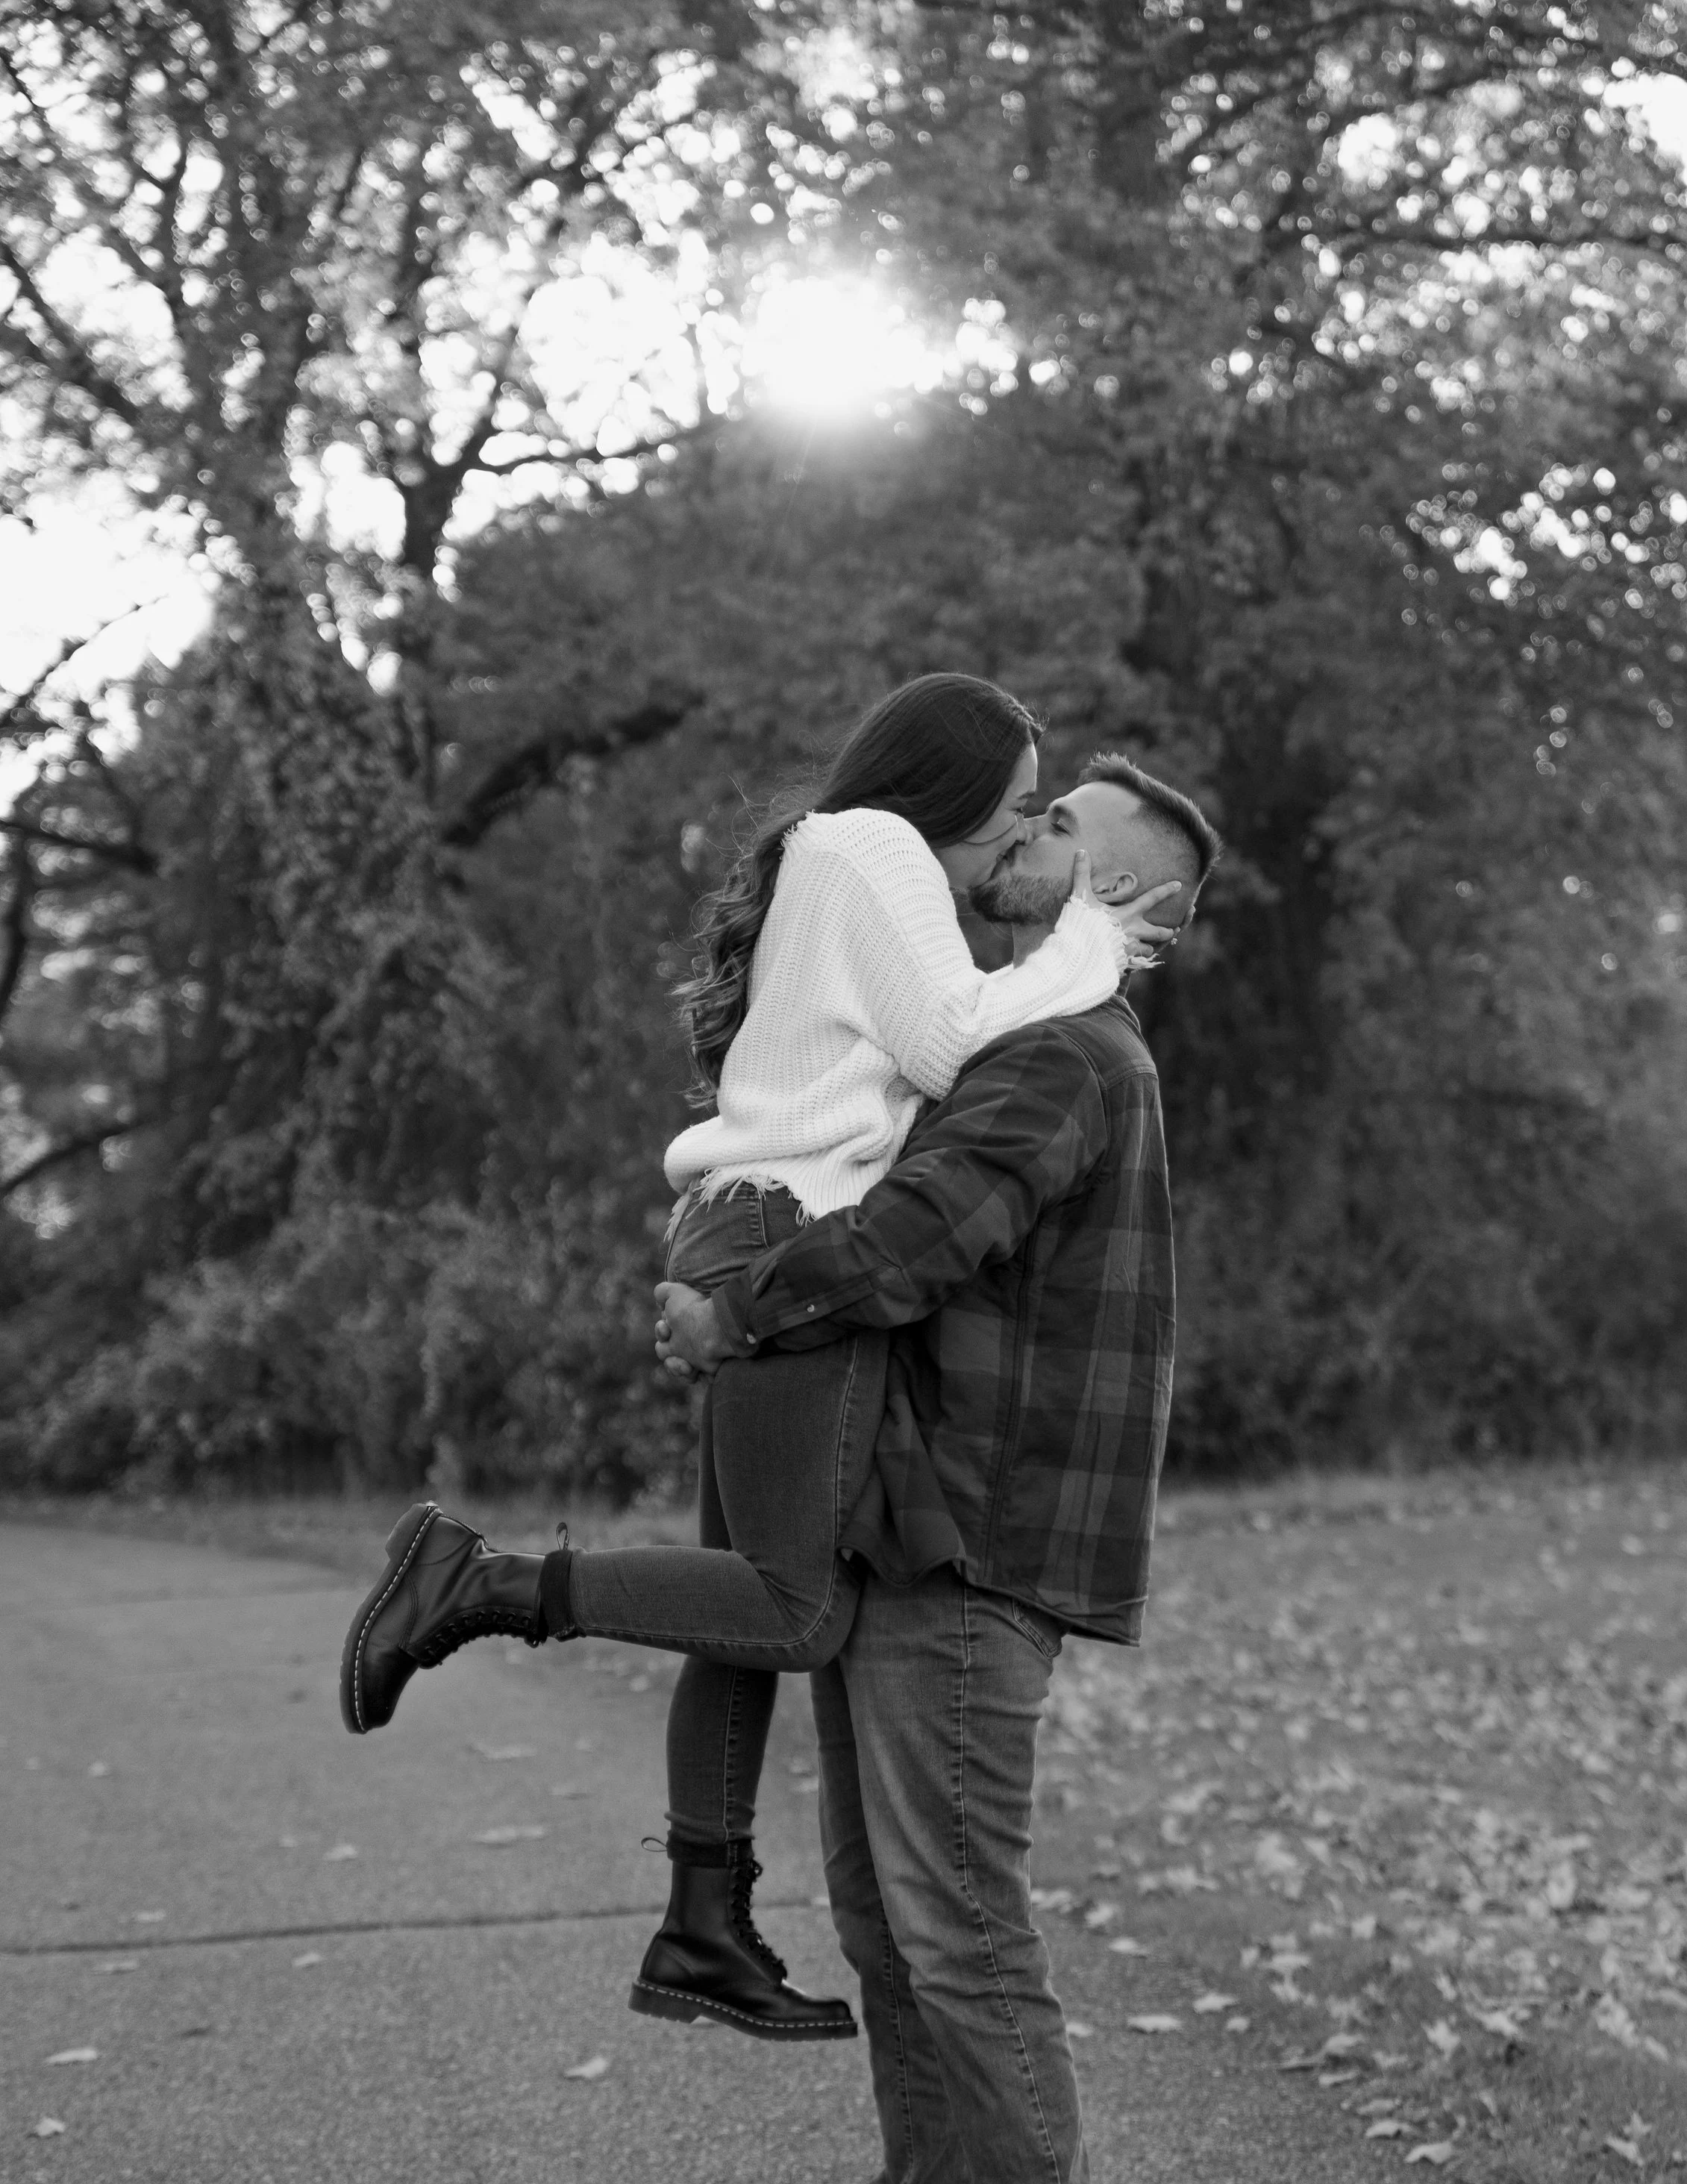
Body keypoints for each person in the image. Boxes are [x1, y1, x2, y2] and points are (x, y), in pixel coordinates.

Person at [337, 676, 1180, 2042]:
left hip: (750, 1228)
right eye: (1015, 808)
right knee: (794, 1608)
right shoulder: (876, 849)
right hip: (789, 1235)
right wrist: (1103, 928)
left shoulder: (840, 861)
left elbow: (931, 1028)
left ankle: (704, 1921)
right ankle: (476, 1579)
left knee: (737, 1608)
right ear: (944, 788)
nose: (1017, 837)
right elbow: (960, 1040)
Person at [654, 754, 1221, 2184]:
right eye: (1029, 817)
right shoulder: (990, 1034)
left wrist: (730, 1310)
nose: (1016, 842)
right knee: (890, 1916)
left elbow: (903, 1242)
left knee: (958, 1925)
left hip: (980, 1544)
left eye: (1057, 836)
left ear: (1134, 910)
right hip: (911, 1528)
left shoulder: (1057, 1054)